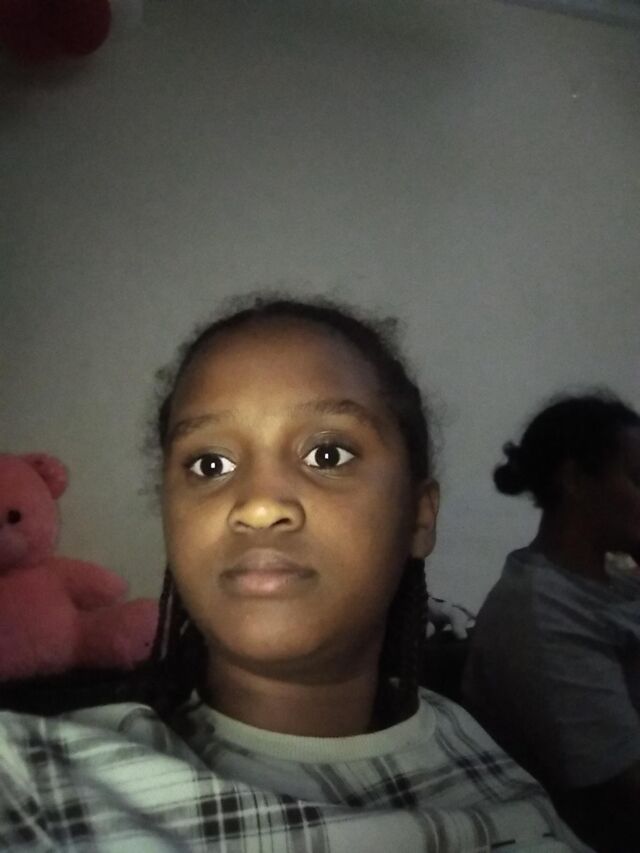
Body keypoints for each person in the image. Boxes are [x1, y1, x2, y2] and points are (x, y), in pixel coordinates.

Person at [0, 296, 585, 851]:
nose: (258, 506)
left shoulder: (495, 776)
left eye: (327, 455)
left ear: (418, 517)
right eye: (210, 464)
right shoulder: (49, 784)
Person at [462, 393, 640, 852]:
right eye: (639, 479)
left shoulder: (619, 581)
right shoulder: (540, 611)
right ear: (575, 480)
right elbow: (625, 792)